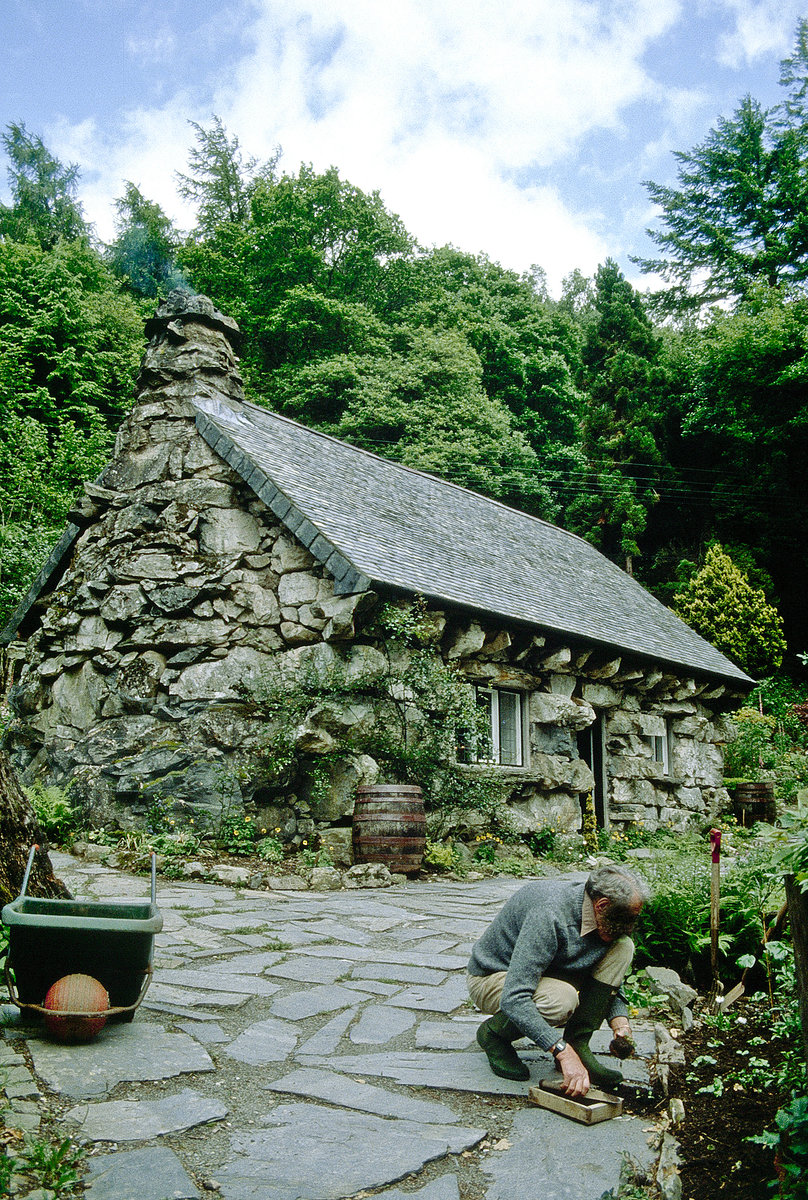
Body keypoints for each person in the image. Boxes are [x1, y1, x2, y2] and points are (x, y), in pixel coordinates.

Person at [467, 864, 650, 1096]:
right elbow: (515, 997)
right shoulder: (550, 914)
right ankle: (494, 1034)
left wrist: (620, 1022)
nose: (629, 928)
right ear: (602, 905)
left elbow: (607, 976)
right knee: (560, 1001)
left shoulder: (600, 914)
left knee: (623, 947)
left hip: (546, 974)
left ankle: (579, 1044)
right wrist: (562, 1052)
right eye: (625, 921)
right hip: (492, 977)